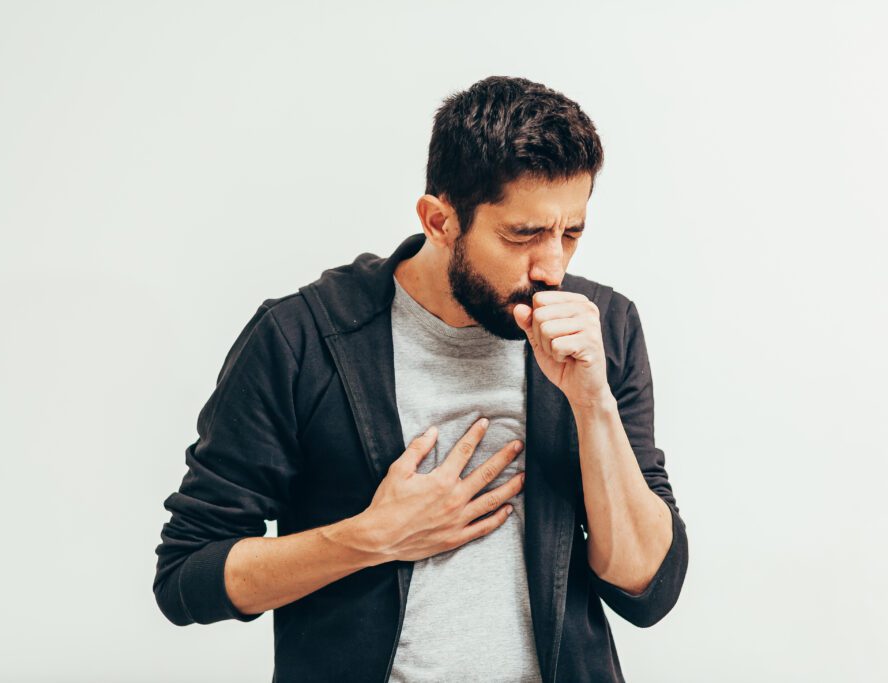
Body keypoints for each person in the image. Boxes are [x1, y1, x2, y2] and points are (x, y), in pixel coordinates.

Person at [153, 75, 689, 683]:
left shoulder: (602, 329)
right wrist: (371, 538)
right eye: (523, 234)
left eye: (572, 233)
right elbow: (187, 577)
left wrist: (592, 401)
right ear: (439, 220)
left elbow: (647, 586)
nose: (553, 267)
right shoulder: (302, 338)